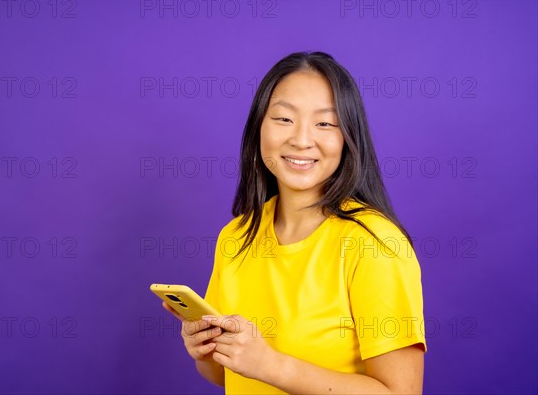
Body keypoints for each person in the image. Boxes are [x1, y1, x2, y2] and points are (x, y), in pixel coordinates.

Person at [162, 51, 427, 394]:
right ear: (258, 127)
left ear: (348, 138)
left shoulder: (375, 244)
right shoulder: (237, 236)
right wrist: (205, 352)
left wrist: (272, 365)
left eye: (325, 123)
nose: (301, 139)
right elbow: (226, 376)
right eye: (284, 119)